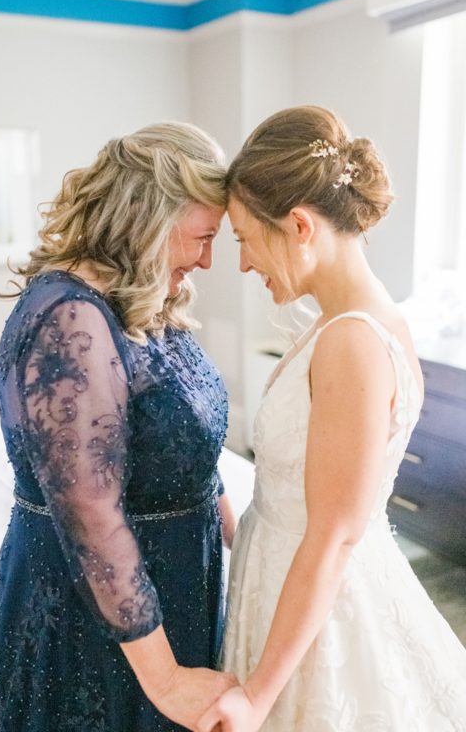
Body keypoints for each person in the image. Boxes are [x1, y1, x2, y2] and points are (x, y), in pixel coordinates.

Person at [196, 105, 466, 732]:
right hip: (282, 584)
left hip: (321, 622)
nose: (244, 264)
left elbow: (333, 535)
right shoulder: (344, 322)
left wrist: (257, 697)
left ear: (298, 225)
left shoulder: (352, 341)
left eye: (244, 239)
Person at [0, 123, 239, 731]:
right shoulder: (68, 319)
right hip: (100, 610)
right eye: (204, 237)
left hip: (176, 580)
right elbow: (90, 512)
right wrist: (166, 679)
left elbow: (186, 444)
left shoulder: (141, 296)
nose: (207, 260)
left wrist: (249, 543)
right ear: (152, 218)